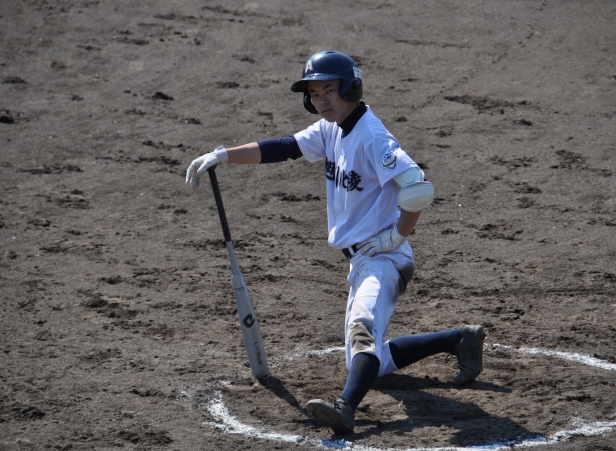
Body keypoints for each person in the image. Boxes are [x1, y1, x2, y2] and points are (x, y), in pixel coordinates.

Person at [186, 50, 485, 435]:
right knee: (370, 360)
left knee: (363, 330)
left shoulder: (373, 137)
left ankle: (345, 407)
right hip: (360, 261)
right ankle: (459, 339)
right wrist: (223, 155)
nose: (321, 100)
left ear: (351, 87)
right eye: (314, 94)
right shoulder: (331, 129)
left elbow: (417, 188)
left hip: (383, 257)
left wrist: (397, 235)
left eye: (329, 90)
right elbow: (285, 147)